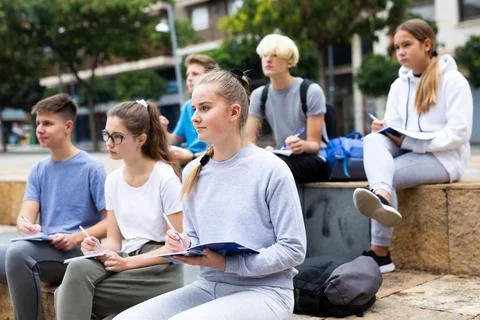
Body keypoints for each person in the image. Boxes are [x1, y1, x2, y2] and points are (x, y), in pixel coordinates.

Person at [114, 70, 307, 320]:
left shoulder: (272, 169)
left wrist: (229, 264)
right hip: (208, 288)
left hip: (266, 291)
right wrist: (181, 245)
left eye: (205, 108)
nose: (195, 118)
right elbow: (194, 236)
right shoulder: (194, 170)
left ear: (234, 112)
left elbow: (293, 249)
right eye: (194, 109)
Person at [353, 19, 473, 273]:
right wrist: (386, 128)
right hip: (408, 149)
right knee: (373, 140)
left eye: (407, 45)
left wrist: (413, 143)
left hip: (445, 158)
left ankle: (380, 253)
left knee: (387, 175)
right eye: (397, 47)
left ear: (427, 44)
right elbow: (397, 125)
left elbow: (459, 134)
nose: (400, 53)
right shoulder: (399, 85)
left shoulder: (453, 81)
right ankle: (382, 196)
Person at [55, 99, 184, 319]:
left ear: (141, 139)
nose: (109, 142)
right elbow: (114, 241)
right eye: (107, 134)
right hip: (126, 258)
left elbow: (179, 248)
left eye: (118, 137)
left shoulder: (165, 178)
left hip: (159, 270)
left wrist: (127, 263)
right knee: (78, 268)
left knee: (64, 294)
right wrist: (97, 249)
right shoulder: (113, 180)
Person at [0, 93, 108, 320]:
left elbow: (111, 222)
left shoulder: (92, 168)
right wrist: (26, 226)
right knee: (10, 252)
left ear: (68, 126)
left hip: (77, 253)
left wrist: (74, 238)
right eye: (38, 123)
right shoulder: (39, 168)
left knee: (19, 255)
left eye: (47, 123)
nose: (39, 129)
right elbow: (25, 216)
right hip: (44, 248)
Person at [245, 33, 329, 184]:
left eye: (275, 55)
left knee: (275, 168)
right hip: (280, 159)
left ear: (289, 62)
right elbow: (249, 141)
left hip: (314, 159)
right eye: (265, 55)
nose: (268, 59)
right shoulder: (259, 95)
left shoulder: (311, 91)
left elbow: (314, 145)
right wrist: (264, 153)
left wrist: (301, 145)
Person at [162, 54, 219, 165]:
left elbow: (222, 150)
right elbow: (174, 140)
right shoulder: (187, 107)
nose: (189, 78)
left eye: (195, 74)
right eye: (187, 74)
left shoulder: (219, 105)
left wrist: (192, 157)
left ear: (211, 77)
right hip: (193, 163)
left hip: (211, 162)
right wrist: (161, 129)